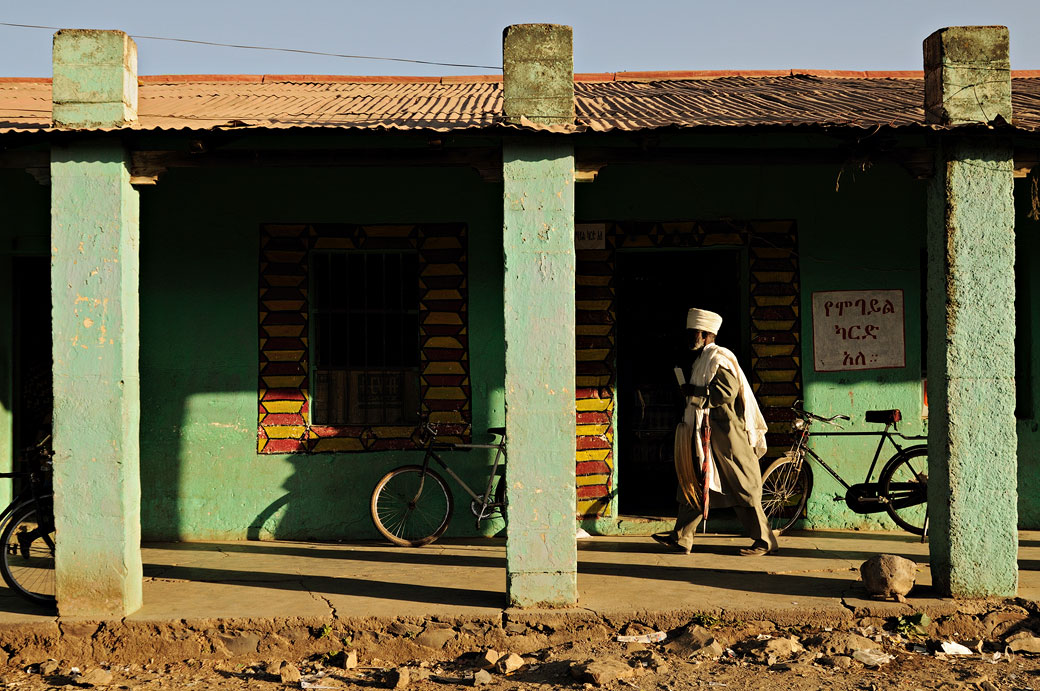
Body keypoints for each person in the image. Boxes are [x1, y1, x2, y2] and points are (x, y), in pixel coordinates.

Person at [652, 308, 779, 556]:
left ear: (707, 333)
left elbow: (725, 393)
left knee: (743, 485)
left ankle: (765, 541)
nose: (691, 337)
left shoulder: (720, 357)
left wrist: (694, 391)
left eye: (695, 332)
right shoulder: (702, 359)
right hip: (705, 432)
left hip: (728, 434)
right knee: (695, 483)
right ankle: (681, 538)